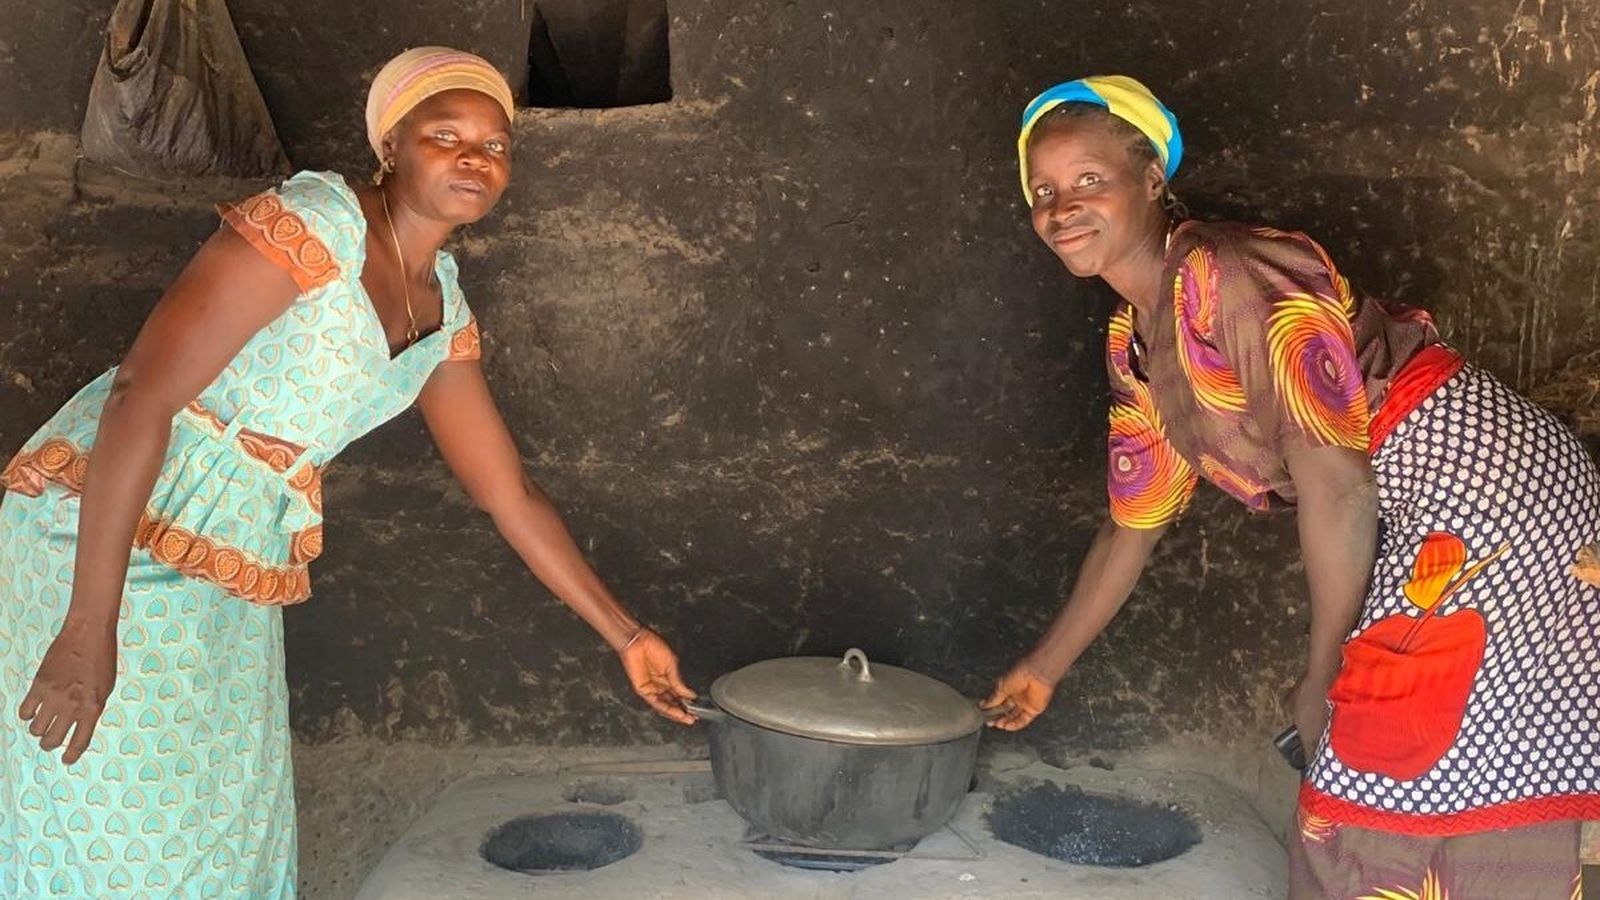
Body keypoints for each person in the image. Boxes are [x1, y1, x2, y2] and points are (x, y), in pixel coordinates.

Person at [0, 46, 694, 896]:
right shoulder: (318, 224)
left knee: (218, 810)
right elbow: (141, 395)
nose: (476, 157)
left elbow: (506, 492)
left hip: (231, 559)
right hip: (102, 529)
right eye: (446, 134)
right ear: (392, 147)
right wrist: (84, 627)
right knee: (110, 807)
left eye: (496, 144)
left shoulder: (441, 308)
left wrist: (626, 635)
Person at [981, 75, 1599, 897]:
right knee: (1393, 751)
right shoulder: (1140, 340)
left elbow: (1339, 486)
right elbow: (1134, 525)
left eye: (1090, 179)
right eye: (1044, 190)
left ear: (1152, 181)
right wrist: (1046, 666)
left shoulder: (1227, 271)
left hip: (1491, 490)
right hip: (1425, 499)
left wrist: (1323, 674)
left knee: (1384, 742)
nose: (1062, 208)